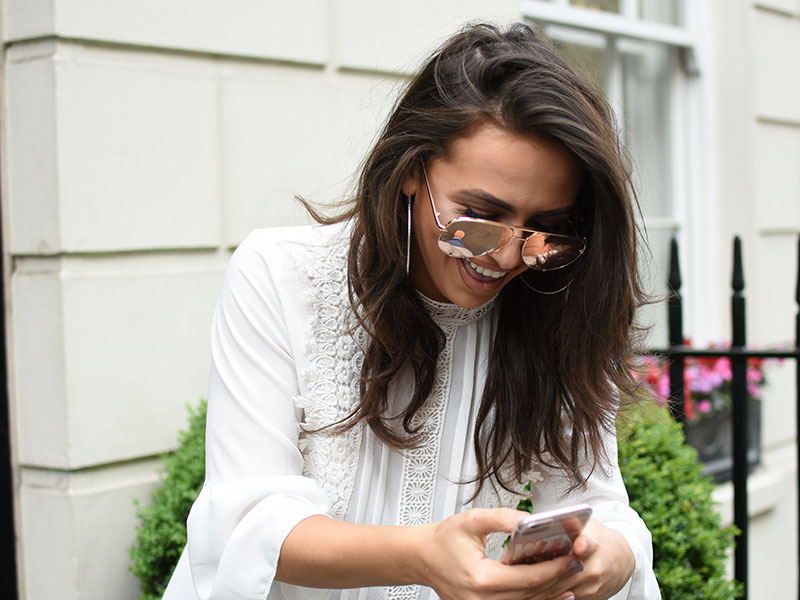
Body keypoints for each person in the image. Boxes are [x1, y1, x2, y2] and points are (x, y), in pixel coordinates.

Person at [163, 22, 661, 600]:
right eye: (478, 215)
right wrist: (422, 556)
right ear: (409, 172)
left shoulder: (557, 304)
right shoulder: (280, 275)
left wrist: (612, 554)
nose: (505, 255)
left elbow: (596, 503)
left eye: (546, 231)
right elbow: (246, 521)